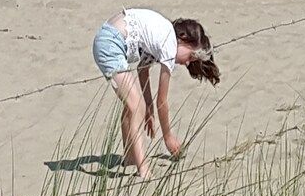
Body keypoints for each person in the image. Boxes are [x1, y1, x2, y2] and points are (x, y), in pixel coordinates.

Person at [90, 10, 218, 178]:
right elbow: (162, 101)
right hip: (111, 44)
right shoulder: (169, 44)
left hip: (107, 37)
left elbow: (142, 69)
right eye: (191, 56)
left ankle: (130, 159)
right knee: (136, 106)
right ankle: (143, 170)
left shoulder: (160, 35)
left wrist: (148, 108)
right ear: (183, 38)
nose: (187, 62)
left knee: (133, 105)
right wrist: (168, 137)